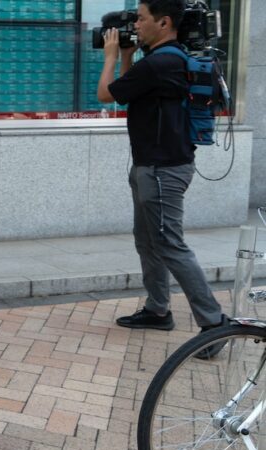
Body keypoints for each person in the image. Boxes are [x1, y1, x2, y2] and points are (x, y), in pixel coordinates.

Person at [97, 0, 228, 358]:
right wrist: (127, 56)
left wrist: (111, 55)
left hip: (161, 170)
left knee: (170, 244)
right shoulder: (161, 60)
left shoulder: (161, 62)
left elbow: (107, 93)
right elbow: (128, 94)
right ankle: (157, 310)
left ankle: (215, 324)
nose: (135, 25)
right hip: (151, 167)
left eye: (141, 18)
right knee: (147, 241)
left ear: (164, 22)